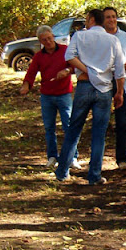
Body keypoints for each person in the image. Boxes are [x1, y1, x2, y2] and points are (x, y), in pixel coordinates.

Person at [54, 9, 125, 186]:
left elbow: (69, 56)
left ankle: (62, 171)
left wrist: (87, 70)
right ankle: (94, 175)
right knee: (99, 134)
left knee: (74, 128)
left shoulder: (80, 36)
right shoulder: (113, 40)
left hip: (85, 85)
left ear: (92, 20)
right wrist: (120, 92)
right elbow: (120, 70)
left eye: (87, 19)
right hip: (105, 88)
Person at [19, 25, 81, 170]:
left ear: (53, 36)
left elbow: (75, 65)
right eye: (44, 40)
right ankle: (52, 156)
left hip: (64, 94)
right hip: (47, 95)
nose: (48, 42)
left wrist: (67, 70)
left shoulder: (65, 51)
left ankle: (72, 157)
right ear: (40, 41)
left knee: (69, 126)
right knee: (49, 128)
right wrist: (26, 85)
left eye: (49, 38)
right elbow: (31, 72)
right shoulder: (39, 56)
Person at [103, 7, 126, 170]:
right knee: (102, 119)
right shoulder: (99, 38)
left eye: (113, 17)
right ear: (102, 21)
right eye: (107, 17)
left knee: (122, 121)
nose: (111, 20)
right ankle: (98, 159)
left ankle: (122, 159)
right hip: (103, 80)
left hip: (123, 79)